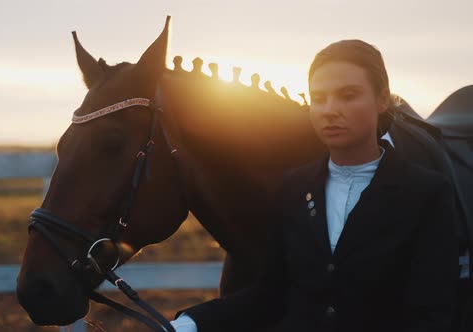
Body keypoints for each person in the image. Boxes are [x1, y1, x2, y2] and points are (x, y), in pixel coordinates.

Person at [170, 40, 460, 332]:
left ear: (382, 99)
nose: (330, 110)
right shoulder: (293, 189)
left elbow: (431, 316)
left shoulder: (427, 193)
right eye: (318, 98)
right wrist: (188, 324)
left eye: (348, 96)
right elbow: (270, 296)